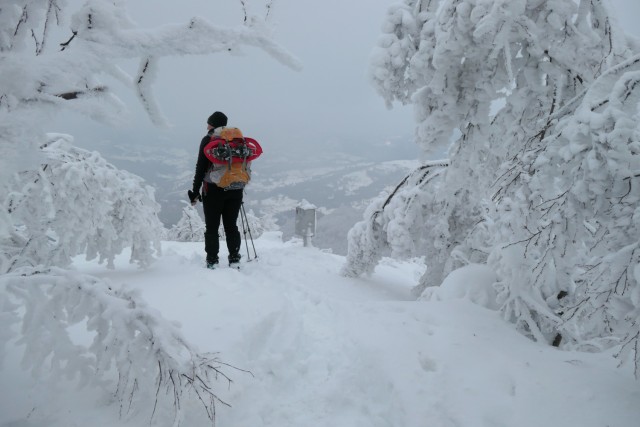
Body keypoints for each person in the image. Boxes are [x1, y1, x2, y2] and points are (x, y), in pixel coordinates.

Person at [189, 111, 243, 269]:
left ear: (212, 124)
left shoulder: (208, 140)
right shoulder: (236, 139)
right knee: (231, 225)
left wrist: (195, 190)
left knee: (212, 227)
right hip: (236, 189)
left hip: (213, 190)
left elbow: (201, 167)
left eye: (208, 123)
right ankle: (234, 258)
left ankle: (212, 260)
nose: (207, 126)